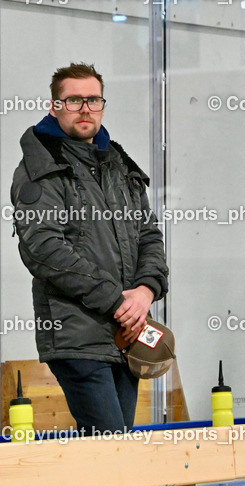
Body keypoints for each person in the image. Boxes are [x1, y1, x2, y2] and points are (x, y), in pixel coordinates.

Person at [10, 63, 168, 436]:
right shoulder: (41, 167)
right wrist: (117, 302)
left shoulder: (118, 164)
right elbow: (43, 247)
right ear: (55, 106)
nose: (85, 108)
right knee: (110, 444)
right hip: (76, 334)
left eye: (93, 99)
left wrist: (145, 291)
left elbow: (149, 235)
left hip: (127, 332)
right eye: (74, 100)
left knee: (112, 447)